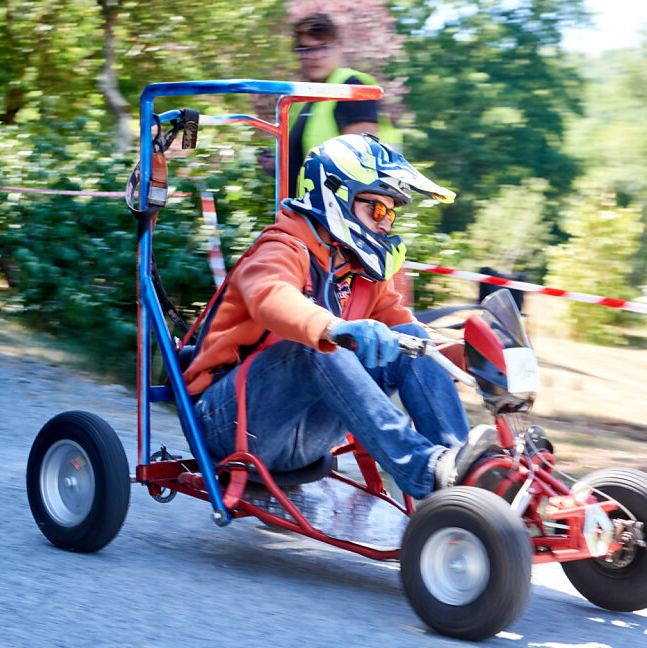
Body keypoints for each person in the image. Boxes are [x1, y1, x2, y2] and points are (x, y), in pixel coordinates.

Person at [185, 134, 494, 499]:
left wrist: (473, 353)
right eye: (377, 209)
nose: (385, 224)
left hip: (303, 432)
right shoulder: (281, 247)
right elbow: (270, 297)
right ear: (336, 195)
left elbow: (408, 334)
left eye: (390, 213)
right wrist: (334, 327)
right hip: (227, 421)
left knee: (413, 342)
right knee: (314, 347)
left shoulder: (359, 272)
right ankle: (424, 470)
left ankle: (463, 476)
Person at [258, 12, 400, 195]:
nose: (314, 56)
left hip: (338, 216)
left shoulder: (351, 87)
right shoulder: (305, 100)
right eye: (305, 50)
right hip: (308, 213)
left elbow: (362, 161)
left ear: (339, 48)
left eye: (322, 48)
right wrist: (278, 166)